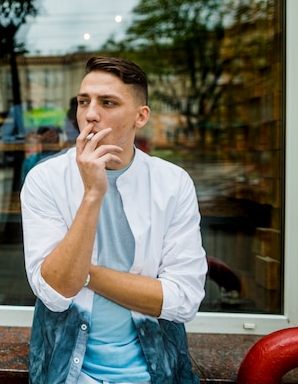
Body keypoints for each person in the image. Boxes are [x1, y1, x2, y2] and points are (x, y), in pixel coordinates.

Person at [21, 56, 207, 384]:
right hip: (69, 371)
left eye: (108, 102)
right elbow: (54, 291)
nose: (90, 113)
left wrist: (84, 272)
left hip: (155, 370)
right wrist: (92, 193)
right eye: (83, 102)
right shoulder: (45, 179)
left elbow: (183, 300)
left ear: (141, 116)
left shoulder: (172, 183)